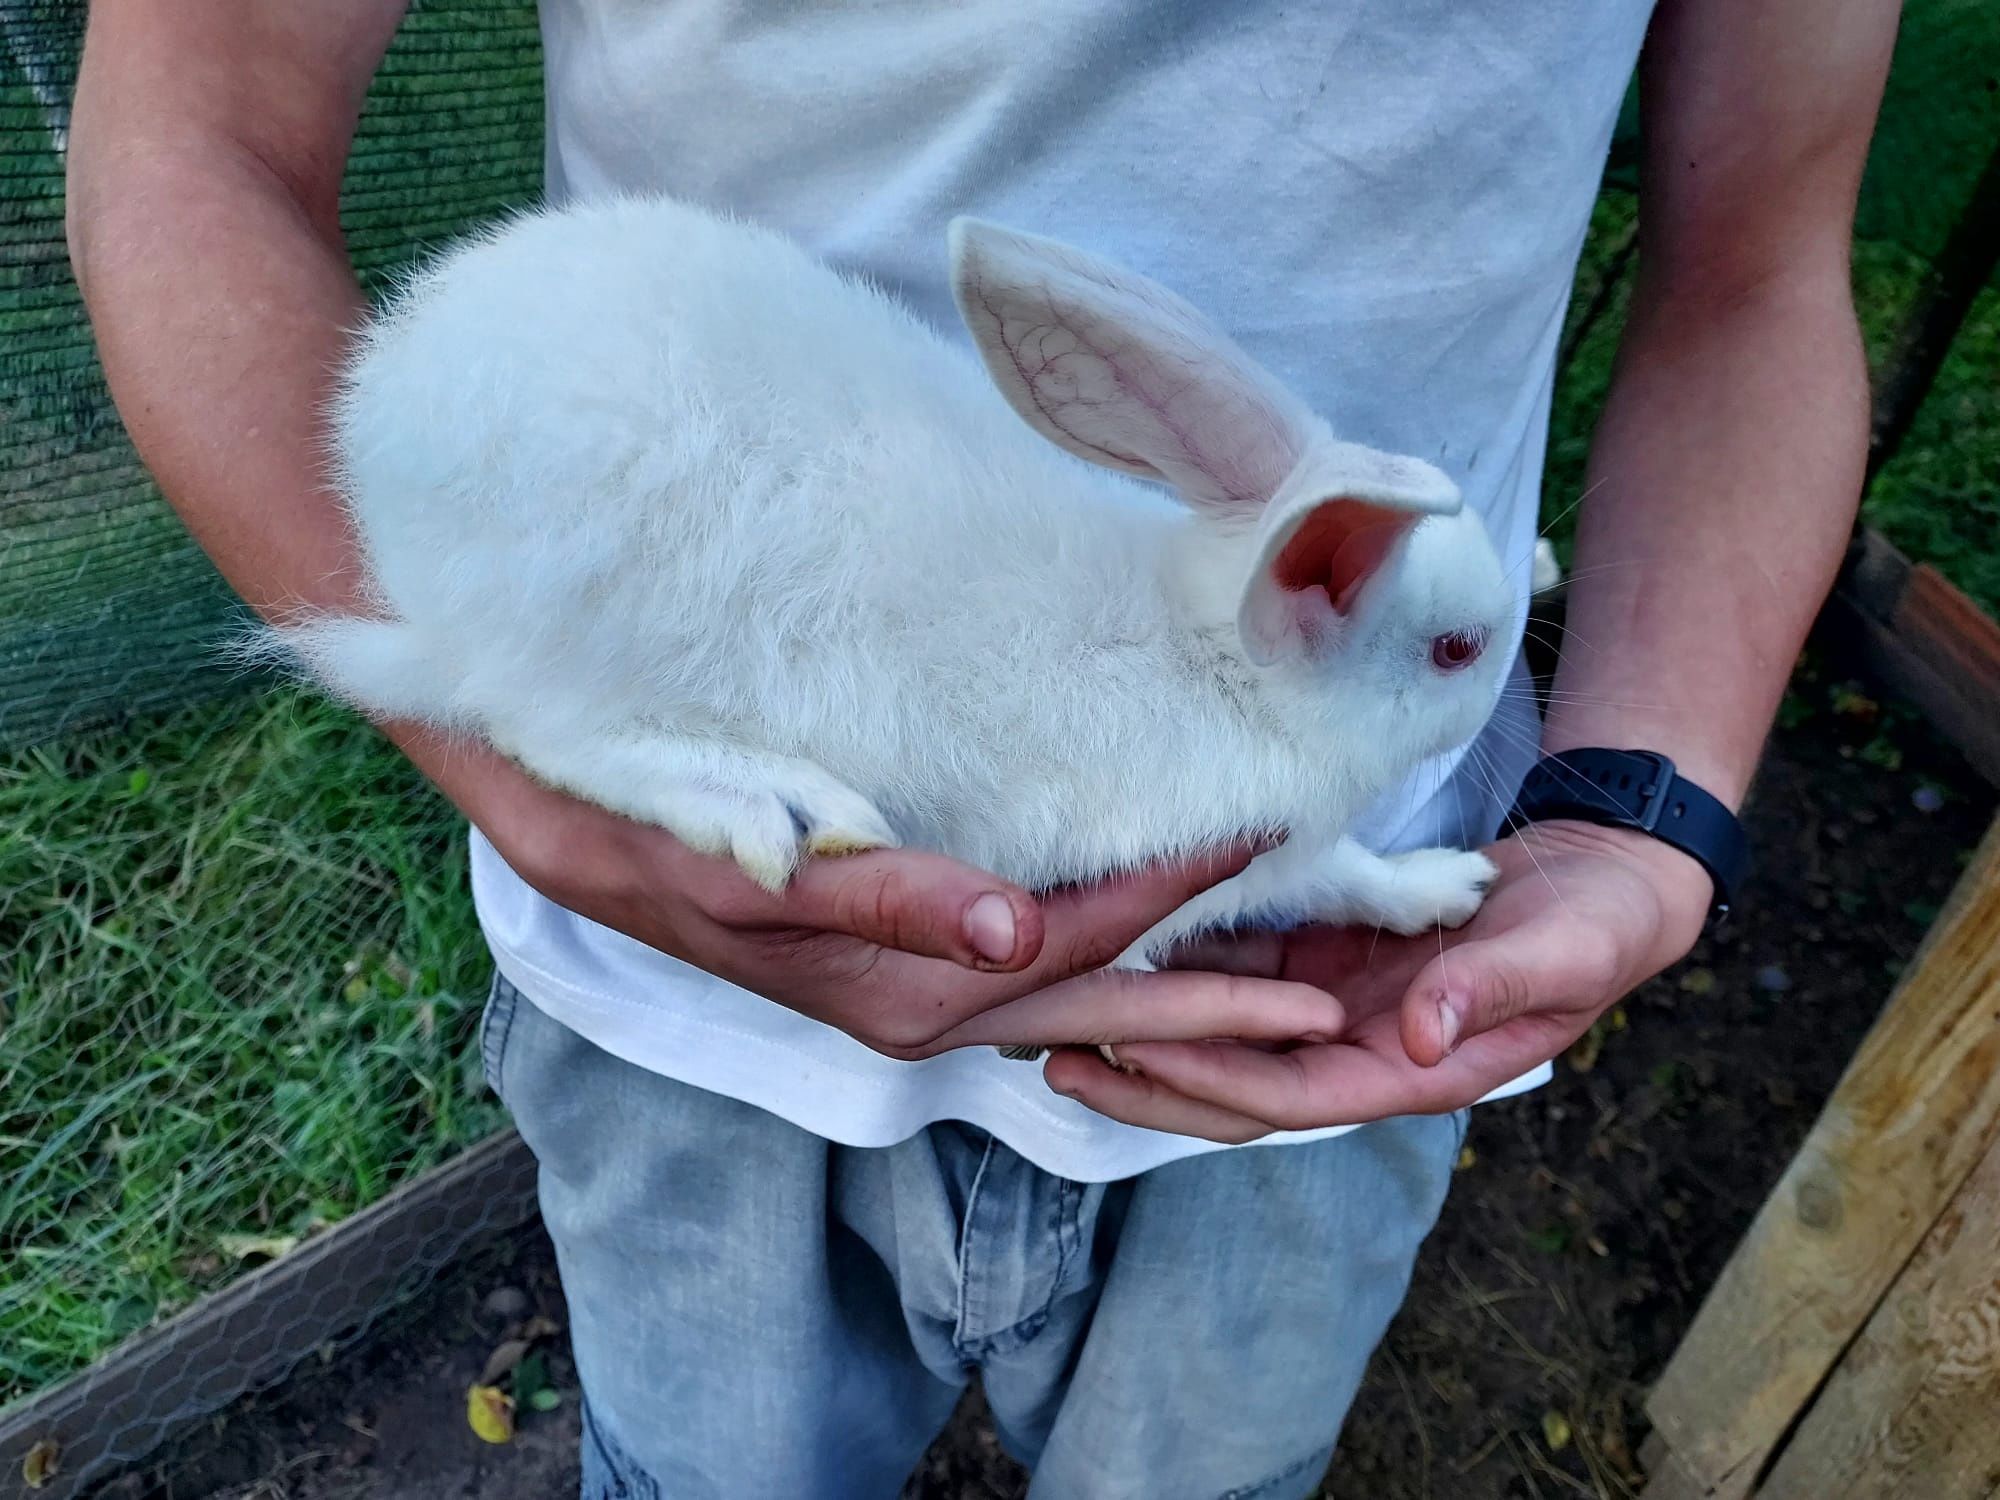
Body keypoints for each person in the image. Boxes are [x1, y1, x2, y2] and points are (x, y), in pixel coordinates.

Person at [67, 2, 1898, 1494]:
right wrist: (535, 776)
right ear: (1309, 595)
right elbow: (191, 122)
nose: (1491, 657)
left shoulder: (1235, 655)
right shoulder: (1183, 712)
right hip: (679, 986)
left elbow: (1758, 266)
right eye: (1454, 642)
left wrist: (1628, 808)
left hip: (1350, 1037)